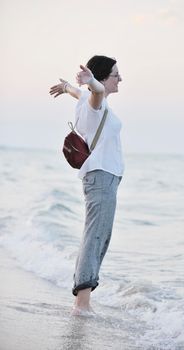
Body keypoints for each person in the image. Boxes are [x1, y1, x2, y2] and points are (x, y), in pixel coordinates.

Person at [49, 55, 124, 315]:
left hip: (103, 178)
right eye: (116, 74)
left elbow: (77, 92)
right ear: (103, 77)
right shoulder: (96, 104)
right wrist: (91, 81)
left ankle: (82, 300)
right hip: (102, 177)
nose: (120, 79)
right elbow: (96, 91)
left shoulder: (86, 101)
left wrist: (68, 86)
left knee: (96, 236)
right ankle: (81, 304)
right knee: (95, 238)